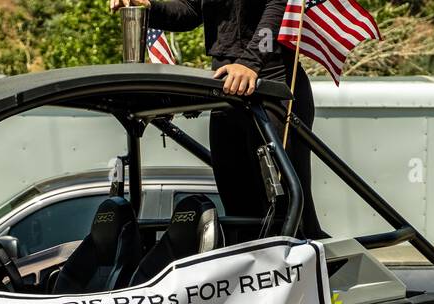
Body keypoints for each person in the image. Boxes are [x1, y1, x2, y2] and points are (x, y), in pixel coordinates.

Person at [108, 0, 324, 238]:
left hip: (274, 82)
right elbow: (189, 11)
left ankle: (308, 263)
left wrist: (249, 63)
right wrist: (149, 6)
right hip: (225, 86)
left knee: (285, 207)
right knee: (238, 208)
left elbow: (279, 4)